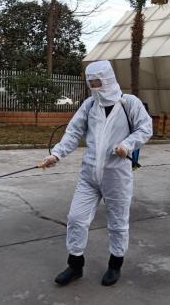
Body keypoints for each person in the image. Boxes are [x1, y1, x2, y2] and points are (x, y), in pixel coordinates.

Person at [40, 60, 152, 287]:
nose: (94, 87)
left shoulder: (129, 103)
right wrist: (56, 155)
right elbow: (73, 132)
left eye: (98, 82)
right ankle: (75, 265)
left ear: (108, 79)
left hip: (116, 176)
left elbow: (145, 128)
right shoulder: (90, 105)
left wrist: (127, 145)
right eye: (91, 83)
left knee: (118, 223)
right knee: (76, 219)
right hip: (89, 175)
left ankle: (115, 264)